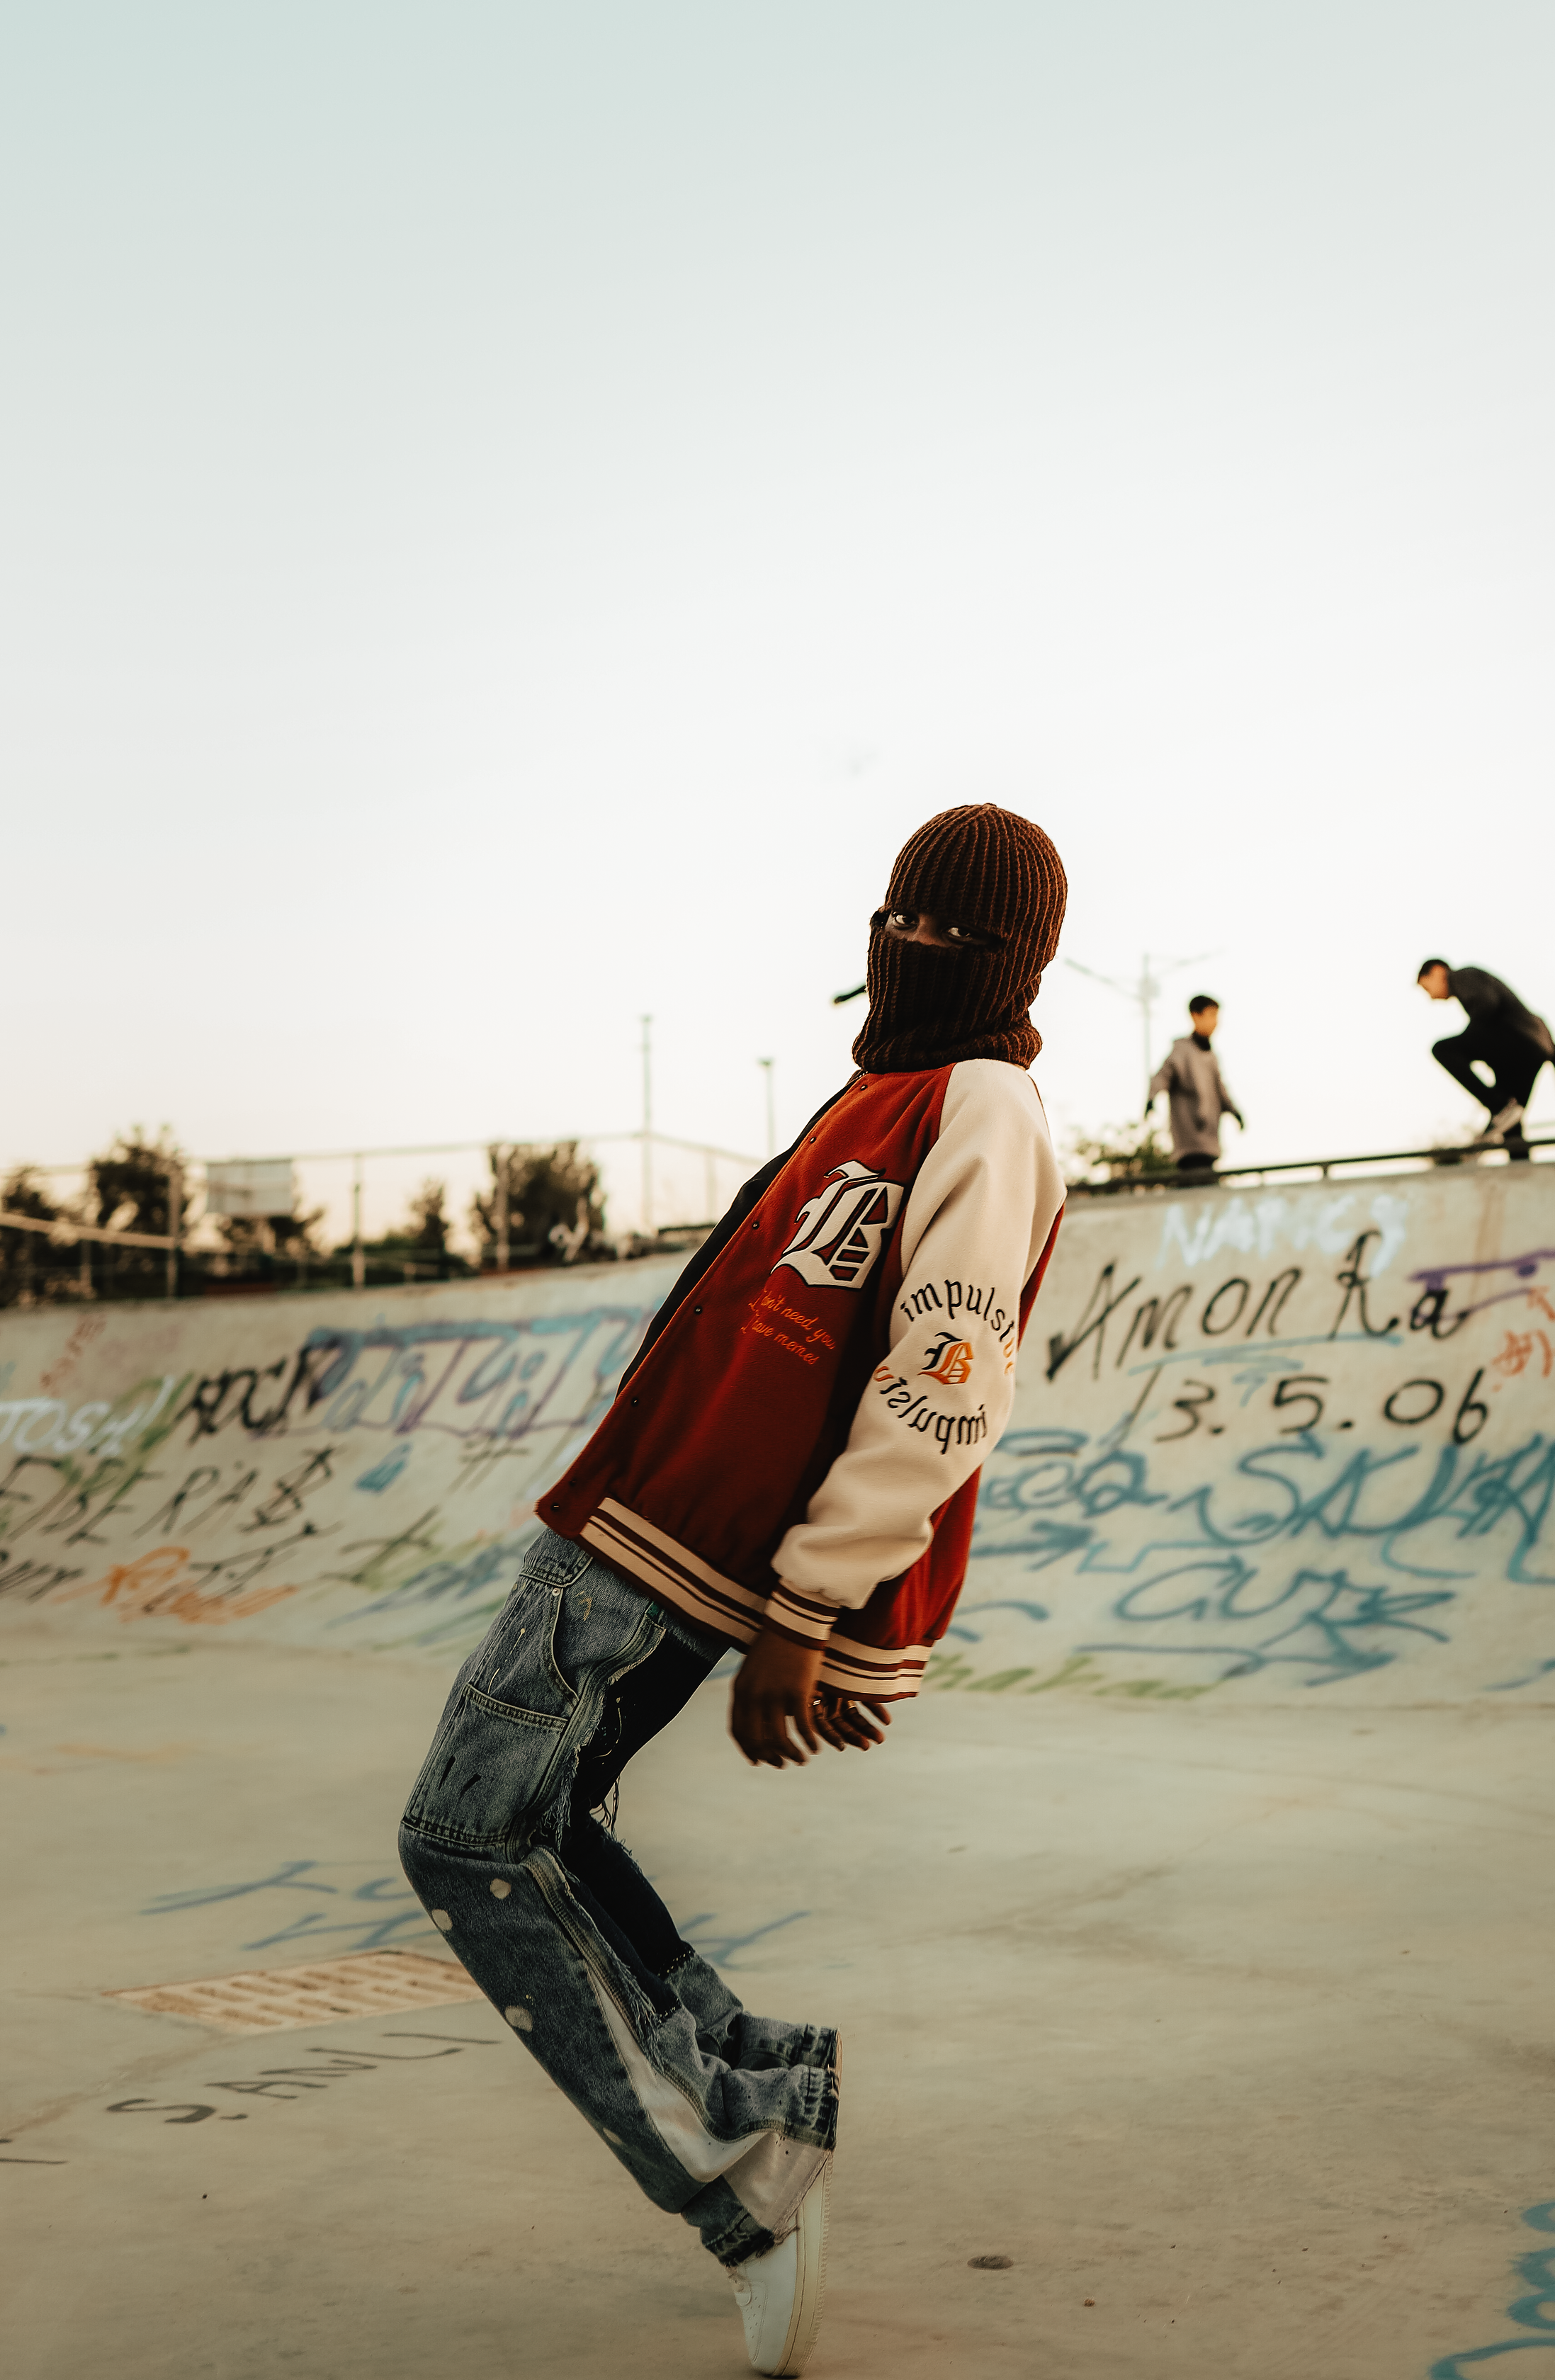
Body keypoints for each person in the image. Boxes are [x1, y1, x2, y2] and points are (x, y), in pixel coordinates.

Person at [398, 805, 1068, 2376]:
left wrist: (811, 1611)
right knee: (527, 1831)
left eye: (944, 931)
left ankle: (740, 2164)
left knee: (469, 1836)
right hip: (633, 1528)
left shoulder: (983, 1104)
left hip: (683, 1558)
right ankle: (752, 2085)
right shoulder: (885, 1088)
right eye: (894, 914)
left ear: (1007, 961)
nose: (903, 947)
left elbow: (950, 1378)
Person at [1417, 958, 1555, 1160]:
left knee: (1443, 1050)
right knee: (1510, 1124)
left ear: (1438, 971)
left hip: (1517, 1043)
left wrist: (1471, 1046)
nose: (1431, 997)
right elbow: (1540, 1024)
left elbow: (1487, 1005)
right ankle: (1523, 1175)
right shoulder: (1471, 982)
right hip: (1533, 1055)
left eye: (1427, 988)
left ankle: (1499, 1107)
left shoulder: (1462, 977)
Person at [1146, 993, 1245, 1180]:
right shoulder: (1182, 1052)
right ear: (1195, 1016)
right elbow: (1162, 1077)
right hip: (1189, 1140)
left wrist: (1234, 1112)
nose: (1215, 1022)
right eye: (1211, 1016)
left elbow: (1221, 1089)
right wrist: (1151, 1098)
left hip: (1210, 1137)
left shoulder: (1211, 1056)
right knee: (1194, 1183)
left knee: (1208, 1185)